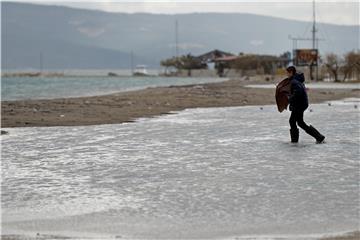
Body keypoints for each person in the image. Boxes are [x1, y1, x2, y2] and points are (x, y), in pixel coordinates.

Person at [286, 66, 325, 143]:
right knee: (300, 123)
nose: (286, 74)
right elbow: (297, 92)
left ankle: (294, 142)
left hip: (299, 105)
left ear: (291, 72)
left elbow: (298, 92)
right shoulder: (297, 80)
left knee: (292, 121)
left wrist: (289, 98)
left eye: (287, 73)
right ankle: (319, 137)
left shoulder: (294, 81)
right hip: (302, 104)